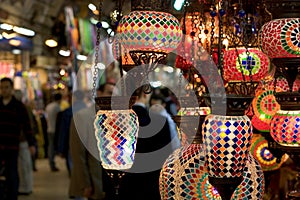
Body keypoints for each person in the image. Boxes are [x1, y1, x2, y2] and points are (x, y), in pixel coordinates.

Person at [119, 86, 173, 200]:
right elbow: (167, 155)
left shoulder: (119, 121)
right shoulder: (160, 120)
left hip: (126, 183)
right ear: (145, 94)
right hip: (152, 184)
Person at [69, 82, 115, 200]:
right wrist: (85, 184)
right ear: (99, 94)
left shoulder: (119, 118)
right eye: (109, 93)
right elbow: (78, 155)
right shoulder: (82, 117)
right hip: (95, 179)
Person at [0, 77, 36, 200]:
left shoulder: (19, 107)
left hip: (12, 146)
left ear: (11, 89)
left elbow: (27, 126)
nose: (4, 90)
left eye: (6, 87)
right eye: (1, 88)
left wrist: (31, 144)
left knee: (12, 173)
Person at [56, 90, 87, 176]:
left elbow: (63, 132)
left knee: (73, 167)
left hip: (71, 143)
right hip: (87, 142)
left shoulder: (67, 113)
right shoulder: (89, 111)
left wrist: (61, 149)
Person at [45, 92, 62, 172]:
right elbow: (58, 119)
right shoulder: (57, 107)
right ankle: (52, 163)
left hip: (49, 129)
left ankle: (51, 162)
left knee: (50, 146)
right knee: (52, 147)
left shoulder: (48, 106)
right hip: (55, 129)